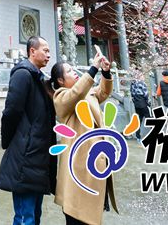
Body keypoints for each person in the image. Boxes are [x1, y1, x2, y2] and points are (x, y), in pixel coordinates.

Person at [50, 50, 118, 225]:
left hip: (95, 163)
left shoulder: (87, 93)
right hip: (78, 166)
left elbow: (103, 92)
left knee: (90, 212)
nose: (74, 72)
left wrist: (105, 72)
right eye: (69, 71)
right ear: (60, 81)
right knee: (77, 215)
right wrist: (93, 69)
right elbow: (75, 94)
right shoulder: (62, 97)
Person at [0, 36, 55, 225]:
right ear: (32, 51)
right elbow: (11, 112)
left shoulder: (38, 77)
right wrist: (8, 142)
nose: (48, 54)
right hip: (26, 155)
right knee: (25, 217)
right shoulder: (23, 74)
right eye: (45, 50)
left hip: (37, 155)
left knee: (34, 214)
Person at [129, 75, 151, 142]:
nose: (143, 77)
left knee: (139, 120)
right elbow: (145, 94)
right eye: (142, 76)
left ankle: (138, 136)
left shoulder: (132, 84)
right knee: (149, 118)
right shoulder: (142, 83)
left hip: (136, 104)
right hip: (143, 103)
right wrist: (149, 103)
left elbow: (132, 94)